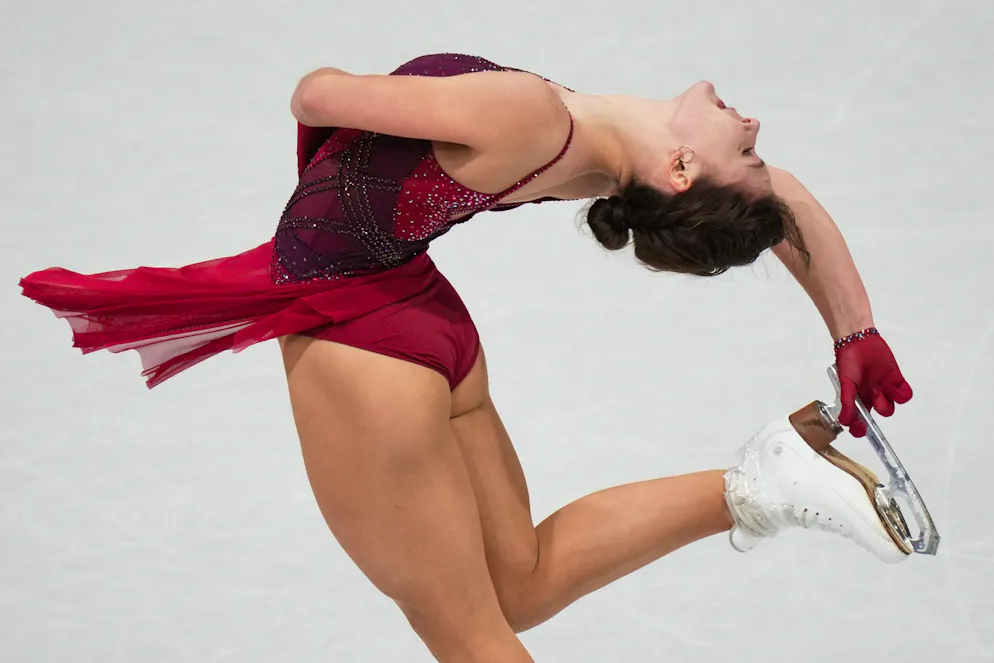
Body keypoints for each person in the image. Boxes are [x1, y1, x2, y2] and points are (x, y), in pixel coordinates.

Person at [19, 53, 914, 662]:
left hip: (363, 344)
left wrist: (387, 107)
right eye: (753, 147)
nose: (754, 123)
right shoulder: (609, 158)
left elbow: (315, 95)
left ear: (680, 169)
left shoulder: (531, 115)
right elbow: (784, 200)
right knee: (518, 586)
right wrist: (854, 331)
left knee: (469, 637)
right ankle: (760, 482)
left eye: (745, 147)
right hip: (421, 316)